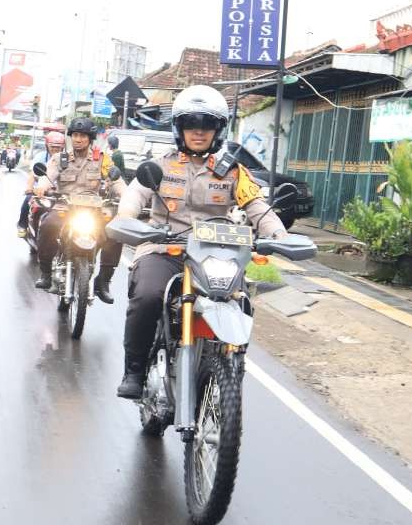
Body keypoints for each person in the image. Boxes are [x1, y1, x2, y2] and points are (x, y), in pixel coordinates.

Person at [113, 85, 289, 398]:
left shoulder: (233, 172)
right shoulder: (160, 165)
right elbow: (134, 196)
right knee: (149, 296)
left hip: (214, 256)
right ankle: (135, 370)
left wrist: (279, 236)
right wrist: (125, 219)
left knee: (241, 301)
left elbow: (258, 209)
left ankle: (231, 363)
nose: (198, 132)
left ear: (218, 130)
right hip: (164, 249)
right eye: (191, 124)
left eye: (207, 125)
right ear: (179, 128)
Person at [34, 117, 126, 303]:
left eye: (82, 136)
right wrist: (42, 186)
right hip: (65, 207)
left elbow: (117, 181)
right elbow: (49, 176)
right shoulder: (61, 158)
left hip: (93, 210)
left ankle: (103, 281)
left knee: (116, 232)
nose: (78, 139)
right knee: (47, 225)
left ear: (90, 138)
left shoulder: (102, 159)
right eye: (75, 135)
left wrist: (126, 197)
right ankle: (45, 273)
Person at [17, 131, 65, 238]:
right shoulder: (40, 157)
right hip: (42, 193)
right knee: (28, 200)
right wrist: (30, 188)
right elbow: (32, 175)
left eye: (58, 147)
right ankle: (22, 225)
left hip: (61, 195)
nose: (55, 149)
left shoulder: (66, 159)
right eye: (53, 147)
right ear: (47, 146)